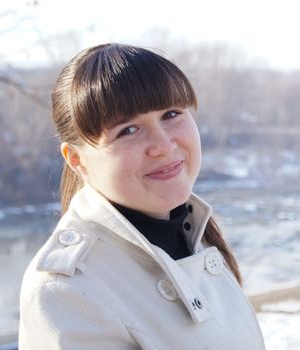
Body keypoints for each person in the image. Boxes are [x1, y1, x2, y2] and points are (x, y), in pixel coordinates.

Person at [18, 43, 266, 350]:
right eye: (129, 130)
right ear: (78, 160)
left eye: (171, 114)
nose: (163, 145)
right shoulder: (66, 290)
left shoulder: (193, 235)